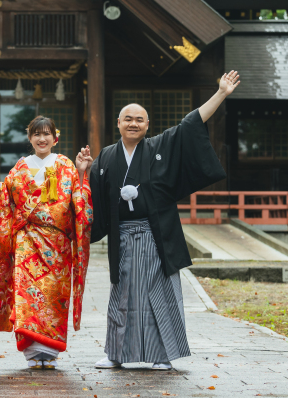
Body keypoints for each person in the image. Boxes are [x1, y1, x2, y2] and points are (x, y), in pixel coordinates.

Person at [90, 71, 240, 370]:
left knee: (160, 292)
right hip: (122, 236)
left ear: (147, 125)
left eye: (140, 120)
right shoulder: (106, 157)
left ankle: (162, 355)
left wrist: (221, 93)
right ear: (118, 123)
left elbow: (190, 124)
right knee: (122, 295)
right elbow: (91, 197)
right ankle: (116, 353)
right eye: (128, 119)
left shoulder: (160, 146)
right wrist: (83, 170)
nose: (133, 123)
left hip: (155, 234)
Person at [0, 115, 93, 369]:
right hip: (26, 241)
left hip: (57, 244)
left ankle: (50, 350)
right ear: (30, 138)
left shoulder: (66, 165)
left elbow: (79, 200)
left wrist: (81, 171)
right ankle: (32, 350)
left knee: (54, 296)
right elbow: (3, 199)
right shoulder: (20, 168)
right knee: (26, 296)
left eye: (46, 134)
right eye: (36, 134)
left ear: (56, 137)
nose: (42, 139)